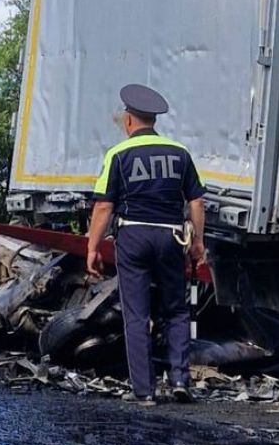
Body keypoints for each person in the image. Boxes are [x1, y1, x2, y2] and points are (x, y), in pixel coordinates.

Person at [87, 84, 206, 405]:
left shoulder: (118, 154)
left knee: (136, 314)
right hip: (171, 237)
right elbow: (196, 201)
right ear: (154, 120)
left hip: (134, 236)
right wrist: (198, 242)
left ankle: (144, 390)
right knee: (177, 310)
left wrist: (92, 247)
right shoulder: (180, 153)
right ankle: (181, 380)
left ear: (128, 120)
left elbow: (103, 206)